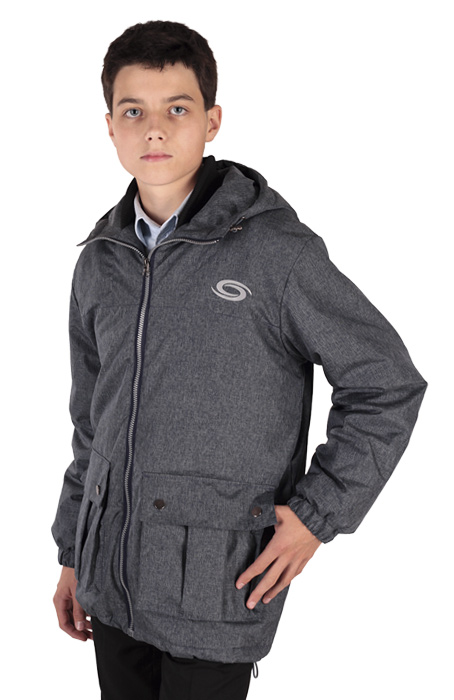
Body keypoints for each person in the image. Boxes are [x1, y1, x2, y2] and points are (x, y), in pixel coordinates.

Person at [51, 19, 428, 700]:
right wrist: (74, 550)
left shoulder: (275, 253)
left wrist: (317, 514)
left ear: (212, 121)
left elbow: (387, 385)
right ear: (110, 127)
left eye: (177, 109)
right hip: (108, 581)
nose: (155, 130)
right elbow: (90, 423)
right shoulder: (101, 260)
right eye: (134, 112)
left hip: (216, 588)